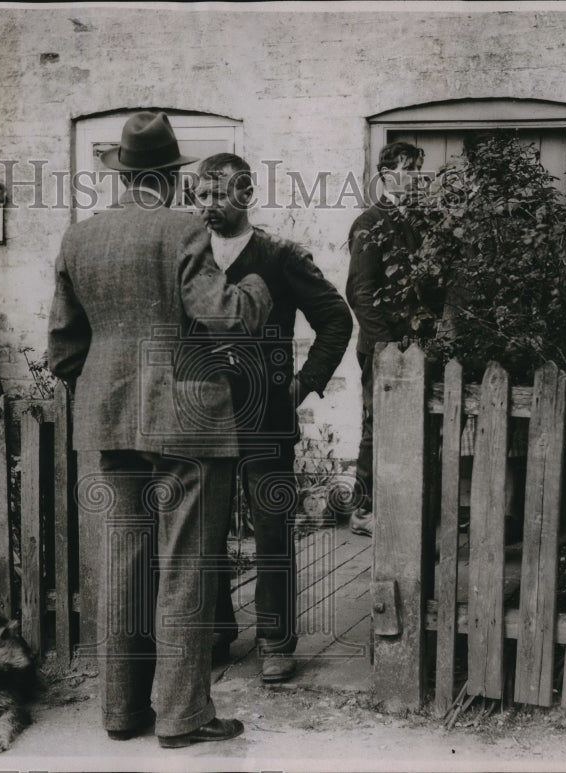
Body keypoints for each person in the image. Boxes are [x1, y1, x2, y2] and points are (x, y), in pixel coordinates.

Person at [47, 113, 273, 749]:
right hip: (187, 422)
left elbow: (64, 351)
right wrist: (255, 286)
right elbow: (225, 315)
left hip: (109, 419)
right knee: (186, 565)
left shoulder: (79, 238)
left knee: (123, 567)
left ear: (123, 174)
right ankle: (183, 717)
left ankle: (122, 713)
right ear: (173, 178)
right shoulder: (184, 231)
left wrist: (103, 387)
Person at [193, 153, 352, 683]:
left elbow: (335, 318)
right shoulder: (187, 252)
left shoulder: (279, 256)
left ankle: (275, 639)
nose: (209, 205)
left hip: (266, 414)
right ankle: (216, 630)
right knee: (205, 526)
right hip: (203, 413)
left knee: (272, 529)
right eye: (202, 194)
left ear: (244, 195)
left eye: (219, 195)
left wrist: (304, 383)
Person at [345, 142, 425, 537]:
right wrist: (387, 348)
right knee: (376, 426)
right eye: (405, 170)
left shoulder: (420, 223)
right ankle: (363, 510)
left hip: (415, 348)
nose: (412, 178)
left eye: (416, 171)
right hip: (383, 349)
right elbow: (360, 293)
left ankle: (400, 508)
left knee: (410, 428)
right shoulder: (370, 222)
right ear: (385, 175)